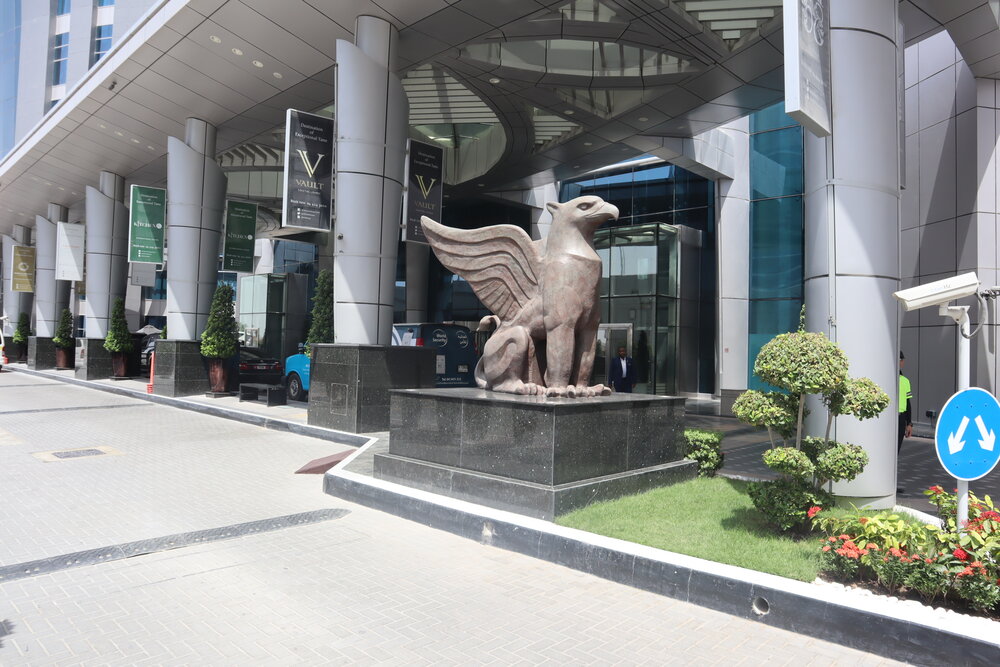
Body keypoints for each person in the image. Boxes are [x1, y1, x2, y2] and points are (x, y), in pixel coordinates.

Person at [898, 351, 913, 452]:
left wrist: (909, 424)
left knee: (896, 449)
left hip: (901, 419)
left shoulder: (905, 381)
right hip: (898, 418)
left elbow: (908, 404)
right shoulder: (885, 378)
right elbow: (908, 404)